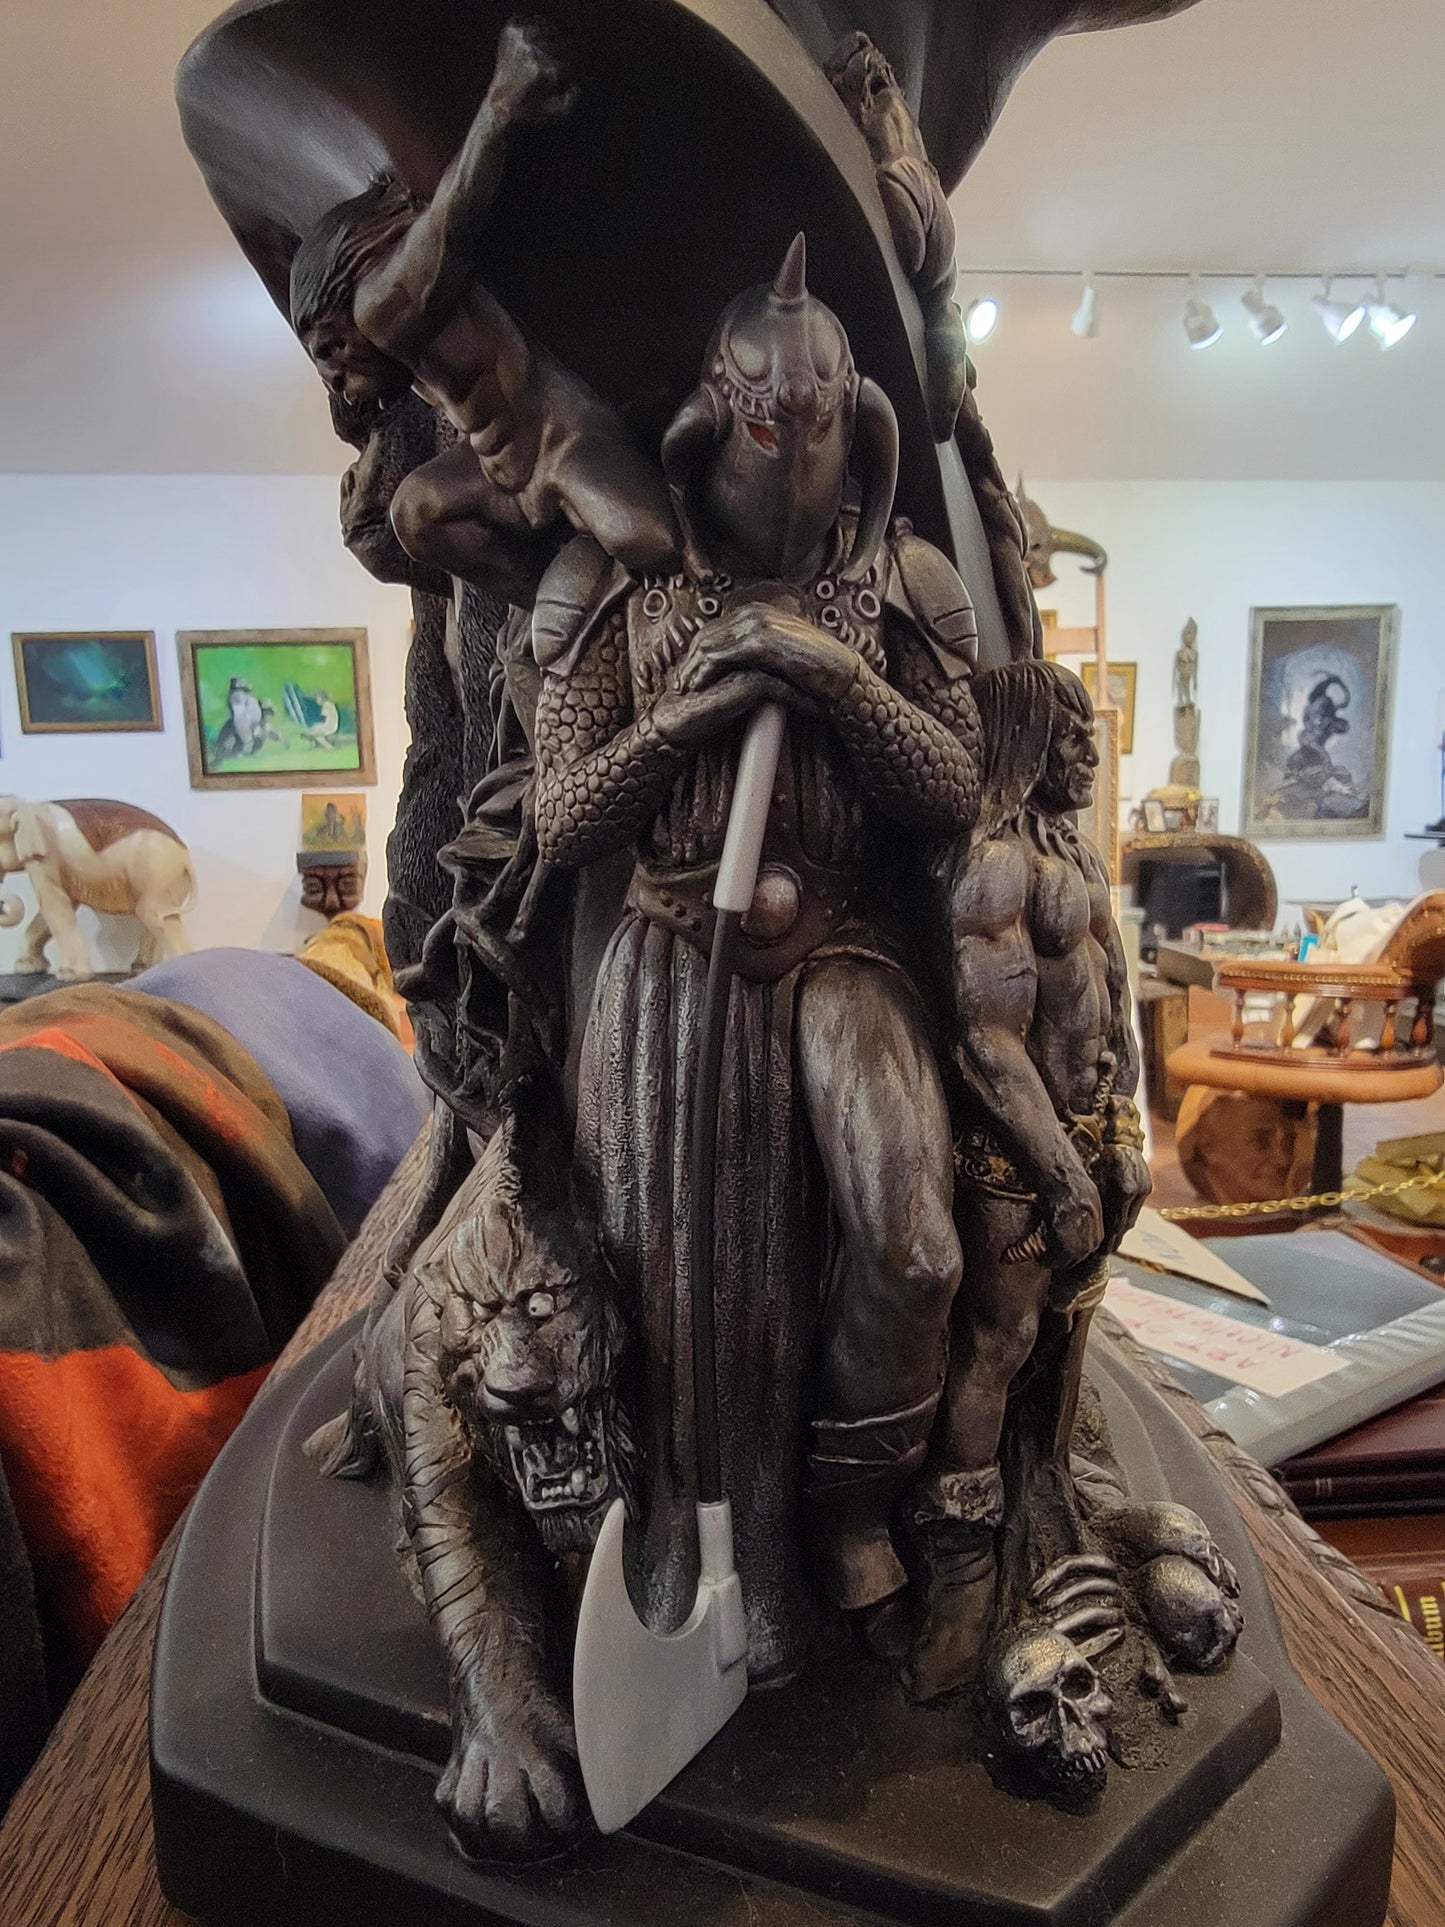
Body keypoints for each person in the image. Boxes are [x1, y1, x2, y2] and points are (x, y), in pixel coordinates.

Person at [528, 240, 983, 1671]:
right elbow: (561, 813)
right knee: (686, 1296)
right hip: (674, 950)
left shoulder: (898, 576)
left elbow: (954, 785)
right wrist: (685, 716)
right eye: (772, 424)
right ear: (712, 421)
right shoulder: (621, 574)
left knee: (913, 1245)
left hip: (839, 942)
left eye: (826, 419)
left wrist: (843, 682)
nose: (798, 453)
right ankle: (698, 1569)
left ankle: (849, 1508)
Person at [904, 658, 1149, 1701]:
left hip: (1090, 1139)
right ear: (1025, 742)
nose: (1088, 753)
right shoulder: (991, 865)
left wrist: (1123, 1131)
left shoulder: (1077, 855)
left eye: (1090, 734)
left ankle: (1046, 1512)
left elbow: (1116, 1008)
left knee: (1066, 1332)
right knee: (997, 1342)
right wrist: (1058, 1173)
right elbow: (985, 1040)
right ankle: (961, 1573)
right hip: (1015, 1155)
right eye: (1070, 735)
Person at [288, 16, 678, 604]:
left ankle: (595, 595)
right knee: (415, 510)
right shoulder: (404, 356)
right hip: (496, 471)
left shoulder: (381, 312)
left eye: (332, 356)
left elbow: (451, 220)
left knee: (651, 541)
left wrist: (500, 101)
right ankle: (543, 603)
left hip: (561, 444)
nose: (341, 386)